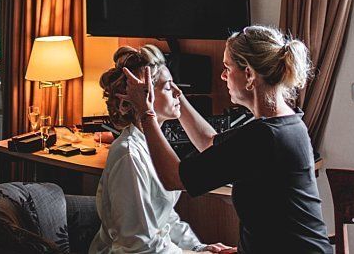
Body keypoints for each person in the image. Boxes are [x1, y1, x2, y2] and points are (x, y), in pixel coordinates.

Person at [122, 25, 332, 254]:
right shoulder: (288, 123)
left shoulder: (263, 137)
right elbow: (209, 142)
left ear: (249, 75)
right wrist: (175, 95)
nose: (222, 76)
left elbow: (174, 178)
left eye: (227, 68)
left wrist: (146, 112)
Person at [90, 44, 233, 253]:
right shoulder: (129, 155)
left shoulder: (152, 146)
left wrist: (198, 247)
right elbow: (138, 245)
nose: (178, 92)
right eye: (168, 87)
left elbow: (164, 218)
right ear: (143, 97)